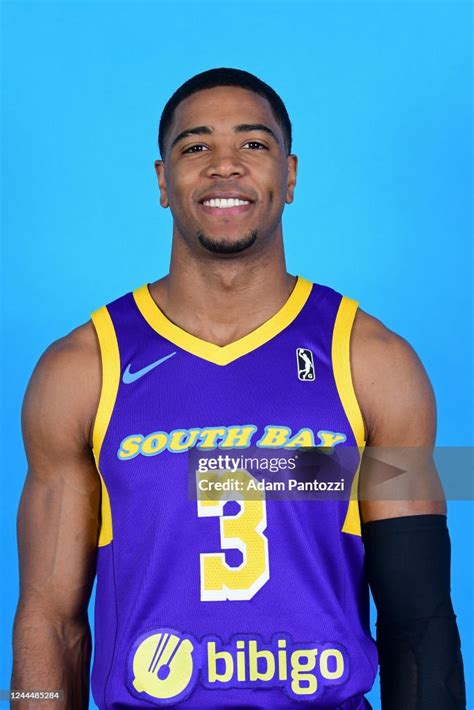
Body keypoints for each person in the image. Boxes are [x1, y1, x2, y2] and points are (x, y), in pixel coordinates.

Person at [11, 68, 466, 709]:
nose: (224, 166)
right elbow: (49, 621)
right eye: (195, 147)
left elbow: (417, 620)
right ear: (162, 182)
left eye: (253, 145)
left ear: (290, 175)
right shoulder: (83, 368)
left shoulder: (372, 362)